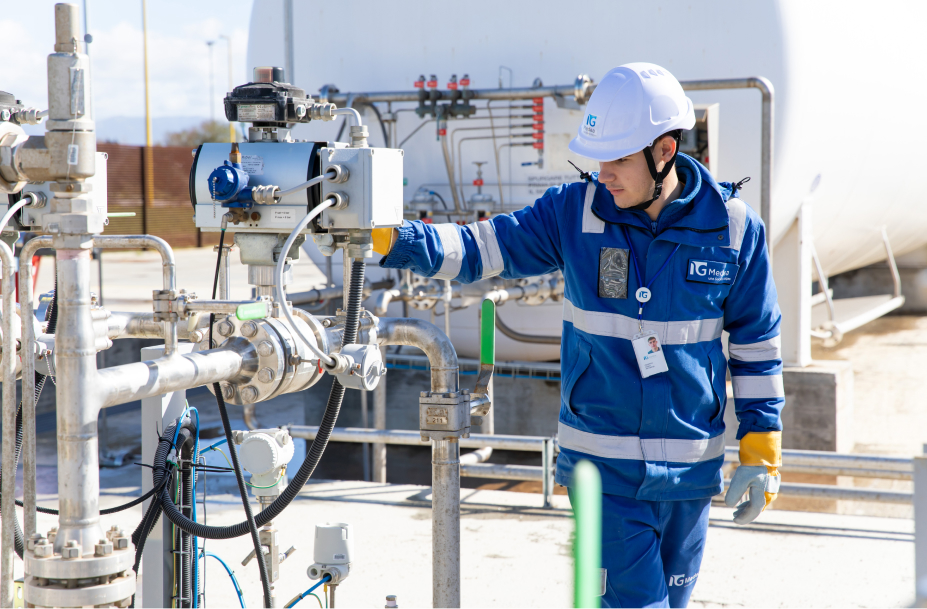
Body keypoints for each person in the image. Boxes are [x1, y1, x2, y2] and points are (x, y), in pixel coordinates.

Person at [362, 63, 784, 608]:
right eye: (600, 159)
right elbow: (479, 248)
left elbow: (757, 344)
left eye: (619, 159)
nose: (605, 174)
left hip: (691, 472)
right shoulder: (573, 212)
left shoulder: (734, 229)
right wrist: (389, 238)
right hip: (602, 471)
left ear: (665, 151)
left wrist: (761, 446)